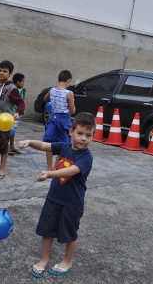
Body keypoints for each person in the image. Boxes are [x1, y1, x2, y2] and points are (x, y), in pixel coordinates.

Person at [17, 112, 95, 278]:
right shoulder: (64, 147)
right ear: (71, 132)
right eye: (80, 133)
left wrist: (49, 174)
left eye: (88, 135)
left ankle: (68, 261)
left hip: (72, 203)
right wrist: (29, 142)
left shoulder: (86, 157)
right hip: (53, 198)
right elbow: (45, 146)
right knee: (47, 230)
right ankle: (44, 260)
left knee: (70, 233)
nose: (83, 138)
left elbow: (72, 170)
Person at [42, 70, 76, 171]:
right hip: (64, 120)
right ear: (68, 80)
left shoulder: (51, 90)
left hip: (53, 118)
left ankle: (49, 168)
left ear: (58, 79)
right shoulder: (69, 93)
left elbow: (44, 99)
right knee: (64, 144)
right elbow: (72, 111)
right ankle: (56, 167)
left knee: (49, 143)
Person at [8, 73, 26, 156]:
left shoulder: (19, 89)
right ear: (18, 82)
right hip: (14, 113)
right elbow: (21, 100)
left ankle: (11, 146)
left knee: (13, 130)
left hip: (16, 113)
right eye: (23, 82)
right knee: (11, 130)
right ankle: (7, 147)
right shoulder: (16, 90)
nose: (23, 83)